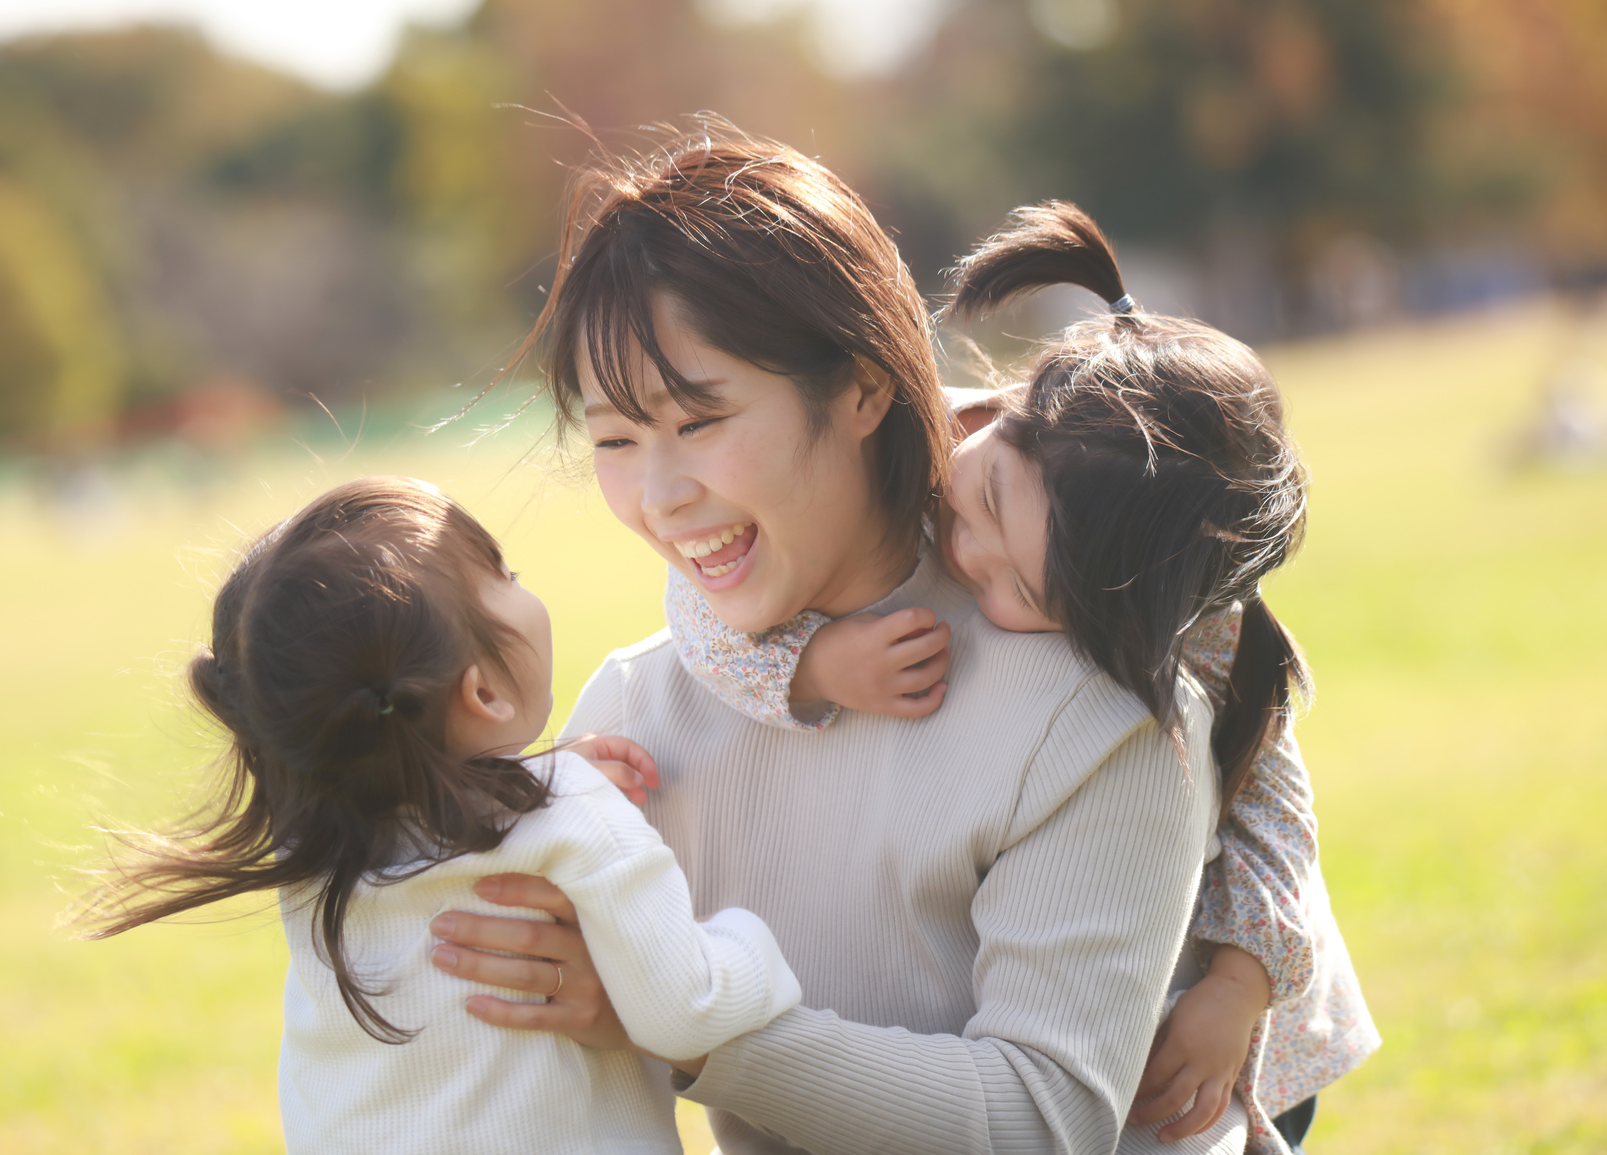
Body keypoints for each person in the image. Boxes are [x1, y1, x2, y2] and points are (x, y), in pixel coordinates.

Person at [427, 131, 1236, 1154]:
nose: (659, 500)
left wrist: (681, 1018)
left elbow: (1042, 1119)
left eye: (700, 419)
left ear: (861, 387)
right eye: (615, 441)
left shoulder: (1093, 698)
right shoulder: (631, 724)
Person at [665, 203, 1380, 1153]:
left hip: (1225, 1018)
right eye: (988, 501)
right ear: (1017, 407)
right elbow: (701, 587)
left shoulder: (1186, 609)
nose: (969, 552)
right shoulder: (898, 444)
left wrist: (1237, 986)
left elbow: (1273, 801)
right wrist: (806, 663)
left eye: (1021, 589)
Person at [76, 476, 802, 1154]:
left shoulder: (319, 842)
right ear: (483, 692)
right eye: (506, 578)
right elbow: (686, 1011)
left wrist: (537, 776)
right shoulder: (576, 817)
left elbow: (439, 821)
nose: (523, 585)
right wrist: (751, 942)